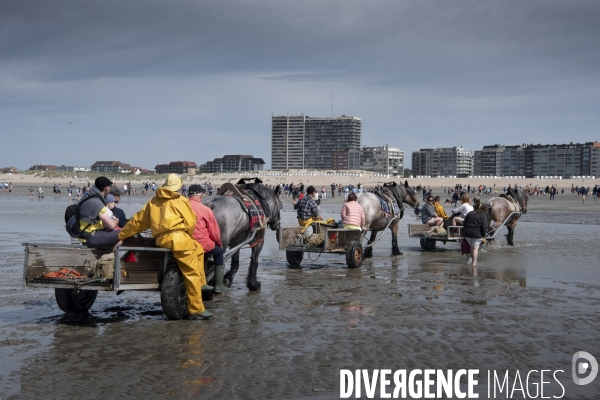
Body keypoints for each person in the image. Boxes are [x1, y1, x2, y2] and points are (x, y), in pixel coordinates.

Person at [117, 174, 212, 320]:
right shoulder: (181, 201)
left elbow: (138, 222)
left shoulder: (153, 201)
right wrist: (188, 234)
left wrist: (122, 234)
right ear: (179, 187)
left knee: (198, 249)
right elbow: (191, 222)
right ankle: (196, 308)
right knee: (191, 273)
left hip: (161, 239)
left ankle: (202, 282)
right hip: (179, 239)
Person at [188, 184, 228, 294]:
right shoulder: (205, 210)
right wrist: (218, 243)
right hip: (200, 243)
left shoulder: (181, 206)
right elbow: (214, 231)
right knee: (219, 251)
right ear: (200, 195)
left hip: (183, 242)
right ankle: (219, 285)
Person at [77, 177, 121, 249]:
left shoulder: (88, 196)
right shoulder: (97, 203)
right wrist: (117, 220)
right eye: (109, 186)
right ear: (106, 188)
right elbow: (112, 225)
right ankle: (112, 257)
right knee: (126, 233)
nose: (110, 188)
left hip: (84, 235)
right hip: (91, 237)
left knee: (115, 232)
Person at [462, 202, 488, 267]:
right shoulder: (483, 215)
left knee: (471, 246)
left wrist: (464, 233)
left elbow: (464, 223)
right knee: (475, 247)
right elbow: (484, 226)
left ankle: (471, 260)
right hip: (476, 234)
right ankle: (474, 263)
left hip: (467, 234)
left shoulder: (469, 214)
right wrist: (484, 236)